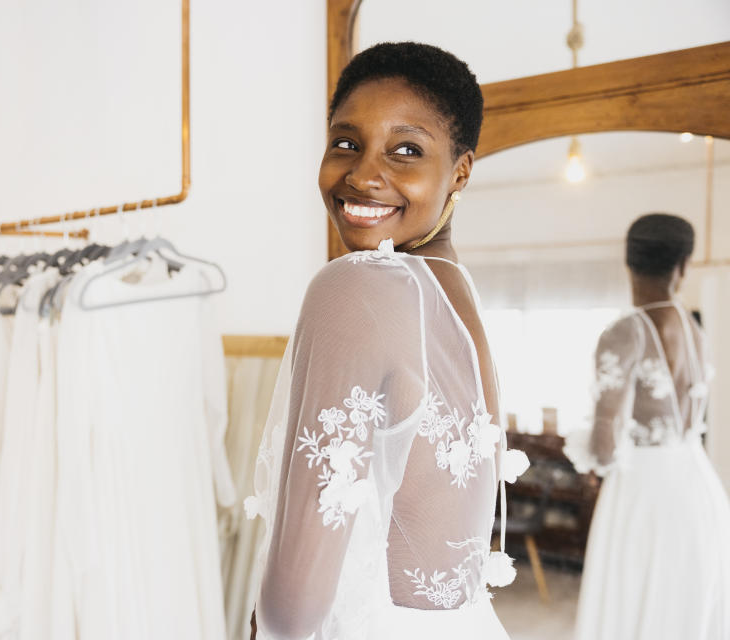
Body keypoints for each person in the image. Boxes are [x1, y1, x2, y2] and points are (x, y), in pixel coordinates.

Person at [243, 42, 528, 640]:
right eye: (346, 142)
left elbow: (291, 612)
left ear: (461, 170)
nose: (363, 174)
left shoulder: (358, 287)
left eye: (406, 150)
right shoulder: (455, 293)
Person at [566, 213, 730, 639]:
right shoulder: (696, 331)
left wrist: (589, 451)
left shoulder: (625, 332)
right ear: (683, 266)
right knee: (681, 605)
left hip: (644, 490)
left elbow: (603, 446)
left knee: (634, 600)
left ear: (629, 262)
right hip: (699, 487)